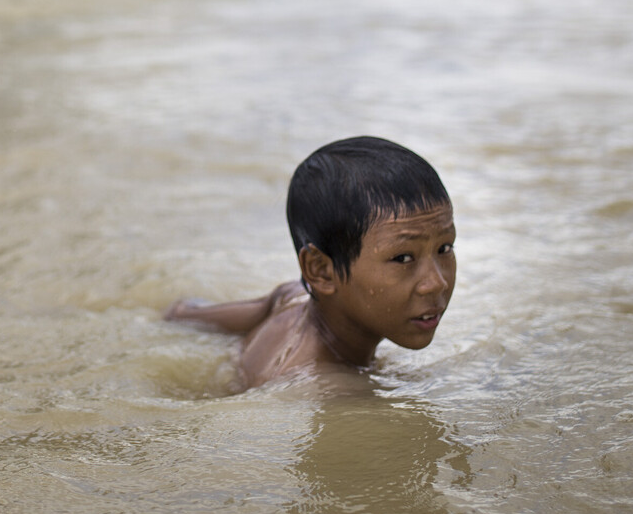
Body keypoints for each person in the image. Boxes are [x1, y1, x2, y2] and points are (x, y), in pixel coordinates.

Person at [166, 136, 456, 389]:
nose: (436, 282)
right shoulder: (320, 389)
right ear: (321, 271)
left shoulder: (291, 298)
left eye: (444, 248)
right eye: (403, 258)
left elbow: (184, 314)